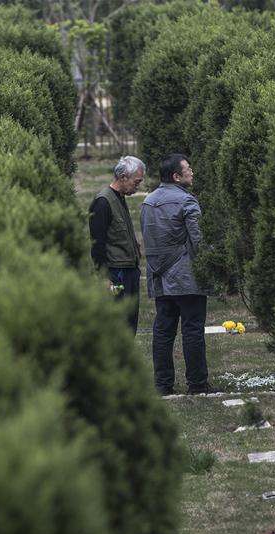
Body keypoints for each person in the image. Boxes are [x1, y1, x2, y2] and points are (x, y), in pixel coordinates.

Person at [141, 154, 209, 395]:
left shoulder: (148, 202)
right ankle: (197, 383)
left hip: (159, 275)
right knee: (192, 330)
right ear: (176, 176)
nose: (192, 172)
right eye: (187, 169)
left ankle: (162, 384)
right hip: (186, 276)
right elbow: (198, 240)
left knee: (163, 331)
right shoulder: (187, 202)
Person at [89, 155, 145, 333]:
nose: (137, 186)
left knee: (130, 322)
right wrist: (104, 276)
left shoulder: (119, 197)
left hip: (128, 270)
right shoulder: (103, 202)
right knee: (119, 322)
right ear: (123, 177)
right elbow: (97, 243)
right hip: (116, 273)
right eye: (136, 182)